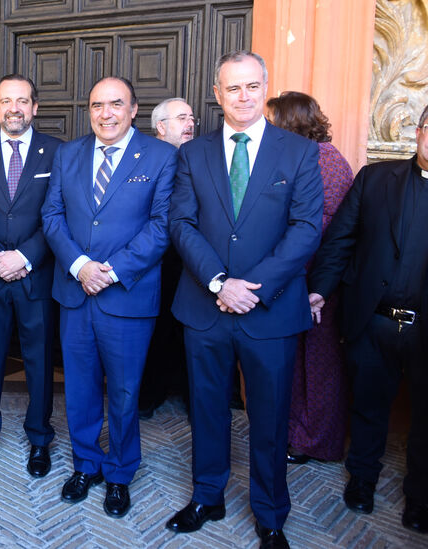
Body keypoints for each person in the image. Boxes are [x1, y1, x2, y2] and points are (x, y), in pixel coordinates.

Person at [166, 51, 322, 549]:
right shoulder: (193, 154)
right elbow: (181, 224)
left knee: (270, 419)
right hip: (204, 306)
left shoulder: (298, 152)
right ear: (217, 95)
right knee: (207, 409)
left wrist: (250, 287)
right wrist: (218, 281)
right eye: (232, 88)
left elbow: (306, 229)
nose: (243, 96)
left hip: (270, 309)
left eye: (252, 86)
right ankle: (207, 496)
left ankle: (271, 514)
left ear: (265, 88)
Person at [42, 76, 176, 517]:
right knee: (79, 390)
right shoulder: (69, 153)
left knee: (123, 392)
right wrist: (80, 266)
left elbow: (162, 227)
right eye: (97, 104)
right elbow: (52, 215)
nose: (106, 113)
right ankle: (86, 464)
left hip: (127, 297)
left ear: (134, 109)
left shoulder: (160, 156)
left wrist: (113, 271)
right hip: (76, 293)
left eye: (116, 104)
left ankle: (119, 473)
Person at [307, 104, 428, 534]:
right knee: (369, 406)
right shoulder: (377, 179)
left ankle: (420, 499)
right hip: (373, 321)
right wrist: (319, 289)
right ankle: (361, 479)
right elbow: (340, 240)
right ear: (418, 131)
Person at [0, 74, 62, 478]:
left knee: (39, 361)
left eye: (22, 101)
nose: (14, 108)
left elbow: (61, 212)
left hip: (36, 276)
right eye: (6, 101)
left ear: (35, 107)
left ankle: (39, 438)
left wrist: (23, 257)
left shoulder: (58, 151)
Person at [265, 91, 352, 465]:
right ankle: (296, 431)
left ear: (290, 123)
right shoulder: (295, 156)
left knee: (318, 362)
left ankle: (317, 440)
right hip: (293, 275)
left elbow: (322, 227)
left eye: (272, 121)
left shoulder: (327, 160)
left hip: (317, 280)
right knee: (295, 358)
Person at [139, 97, 196, 419]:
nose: (189, 124)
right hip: (154, 261)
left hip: (190, 261)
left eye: (191, 118)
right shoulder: (144, 159)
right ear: (161, 127)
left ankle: (190, 395)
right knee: (154, 330)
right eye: (181, 118)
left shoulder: (198, 157)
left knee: (188, 330)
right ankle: (149, 394)